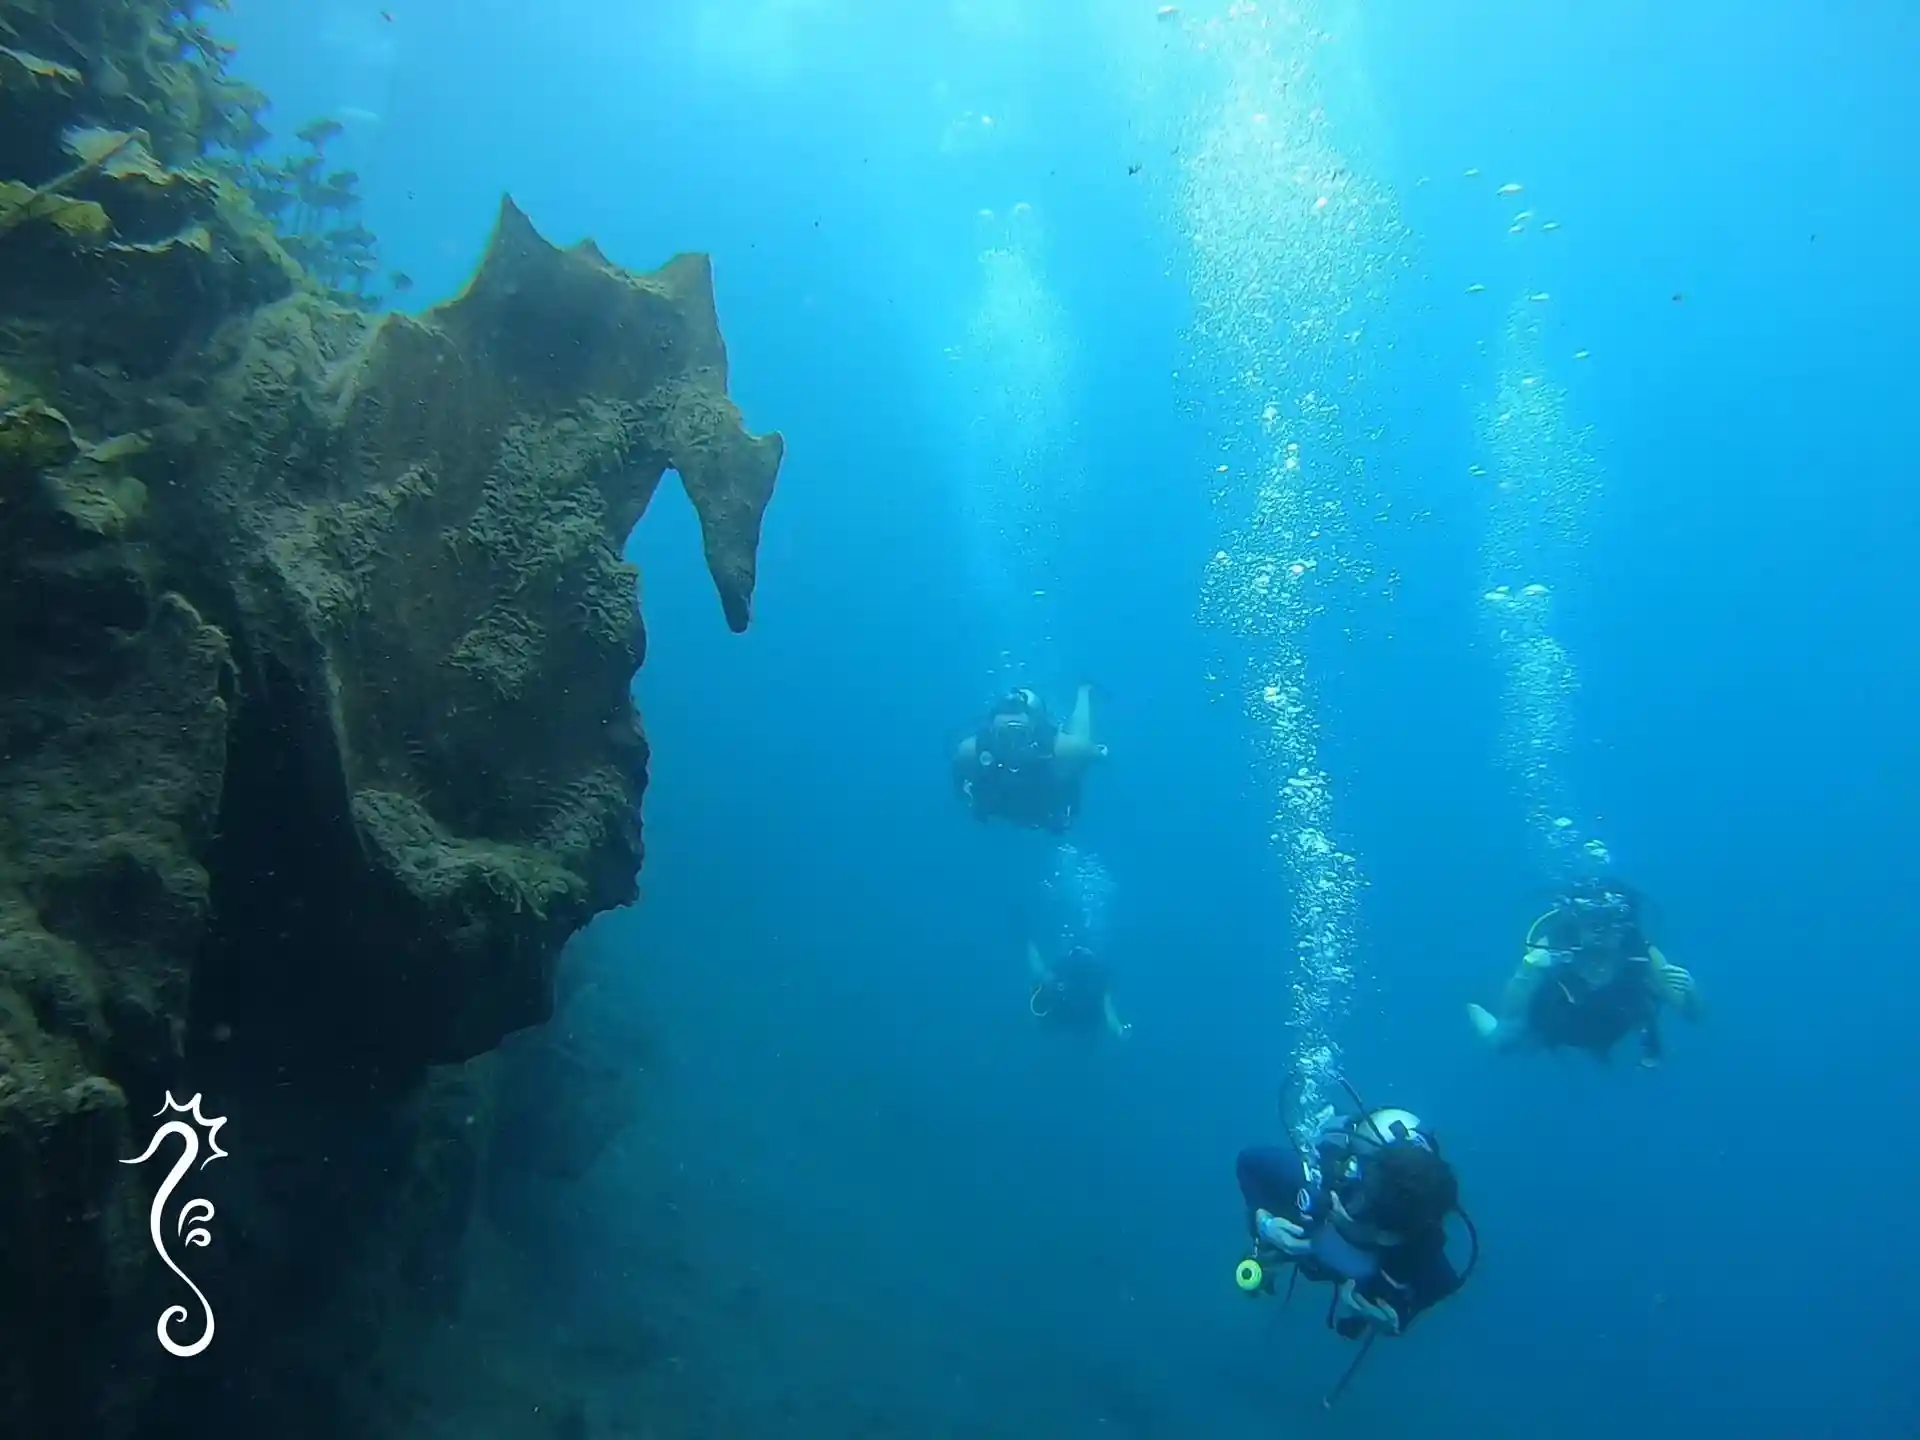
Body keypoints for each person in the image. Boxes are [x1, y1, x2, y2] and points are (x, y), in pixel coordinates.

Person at [1233, 1095, 1472, 1355]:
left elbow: (1436, 1289)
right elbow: (1249, 1162)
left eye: (1357, 1208)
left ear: (1388, 1237)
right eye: (1355, 1188)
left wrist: (1396, 1320)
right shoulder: (1329, 1180)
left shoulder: (1422, 1259)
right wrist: (1262, 1221)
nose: (1337, 1202)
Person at [1466, 878, 1703, 1067]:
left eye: (1610, 920)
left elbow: (1692, 1014)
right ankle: (1488, 1028)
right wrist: (1527, 970)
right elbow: (1511, 1013)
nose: (1600, 930)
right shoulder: (1552, 946)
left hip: (1616, 1025)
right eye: (1592, 921)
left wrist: (1689, 991)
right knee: (1501, 1043)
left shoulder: (1642, 954)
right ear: (1576, 922)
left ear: (1624, 925)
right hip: (1557, 1025)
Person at [952, 684, 1105, 832]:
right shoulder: (970, 751)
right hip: (1004, 805)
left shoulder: (1065, 749)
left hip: (1050, 802)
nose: (1012, 745)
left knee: (1079, 741)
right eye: (1003, 736)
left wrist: (1098, 754)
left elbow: (1089, 750)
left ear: (1033, 732)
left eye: (1019, 735)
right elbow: (959, 777)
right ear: (992, 731)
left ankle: (1084, 690)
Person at [1026, 940, 1130, 1039]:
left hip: (1072, 1023)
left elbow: (1043, 975)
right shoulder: (1099, 977)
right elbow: (1108, 1010)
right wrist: (1119, 1030)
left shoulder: (1065, 969)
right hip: (1084, 1027)